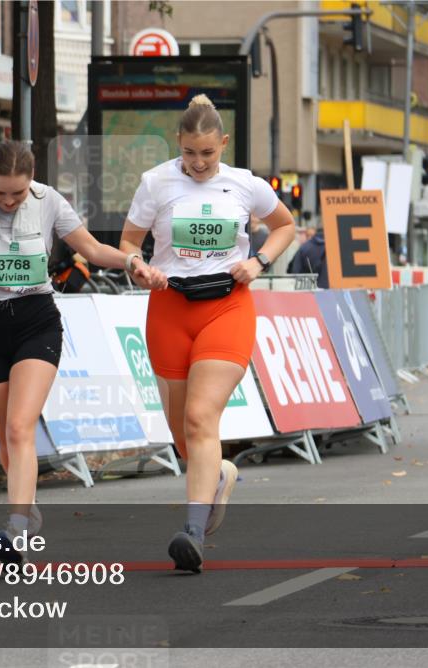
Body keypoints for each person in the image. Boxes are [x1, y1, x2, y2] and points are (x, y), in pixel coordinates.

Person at [0, 140, 165, 564]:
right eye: (0, 193)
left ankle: (15, 528)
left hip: (36, 321)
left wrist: (131, 263)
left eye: (17, 193)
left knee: (20, 427)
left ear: (31, 181)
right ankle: (28, 508)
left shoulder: (49, 201)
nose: (8, 201)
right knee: (5, 438)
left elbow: (92, 249)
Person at [118, 95, 296, 573]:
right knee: (183, 432)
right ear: (178, 141)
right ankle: (217, 476)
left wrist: (259, 261)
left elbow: (285, 226)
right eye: (190, 153)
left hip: (227, 306)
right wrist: (138, 266)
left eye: (208, 153)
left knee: (200, 417)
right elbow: (130, 241)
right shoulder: (156, 182)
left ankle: (193, 532)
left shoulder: (245, 184)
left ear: (223, 143)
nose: (198, 163)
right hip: (169, 307)